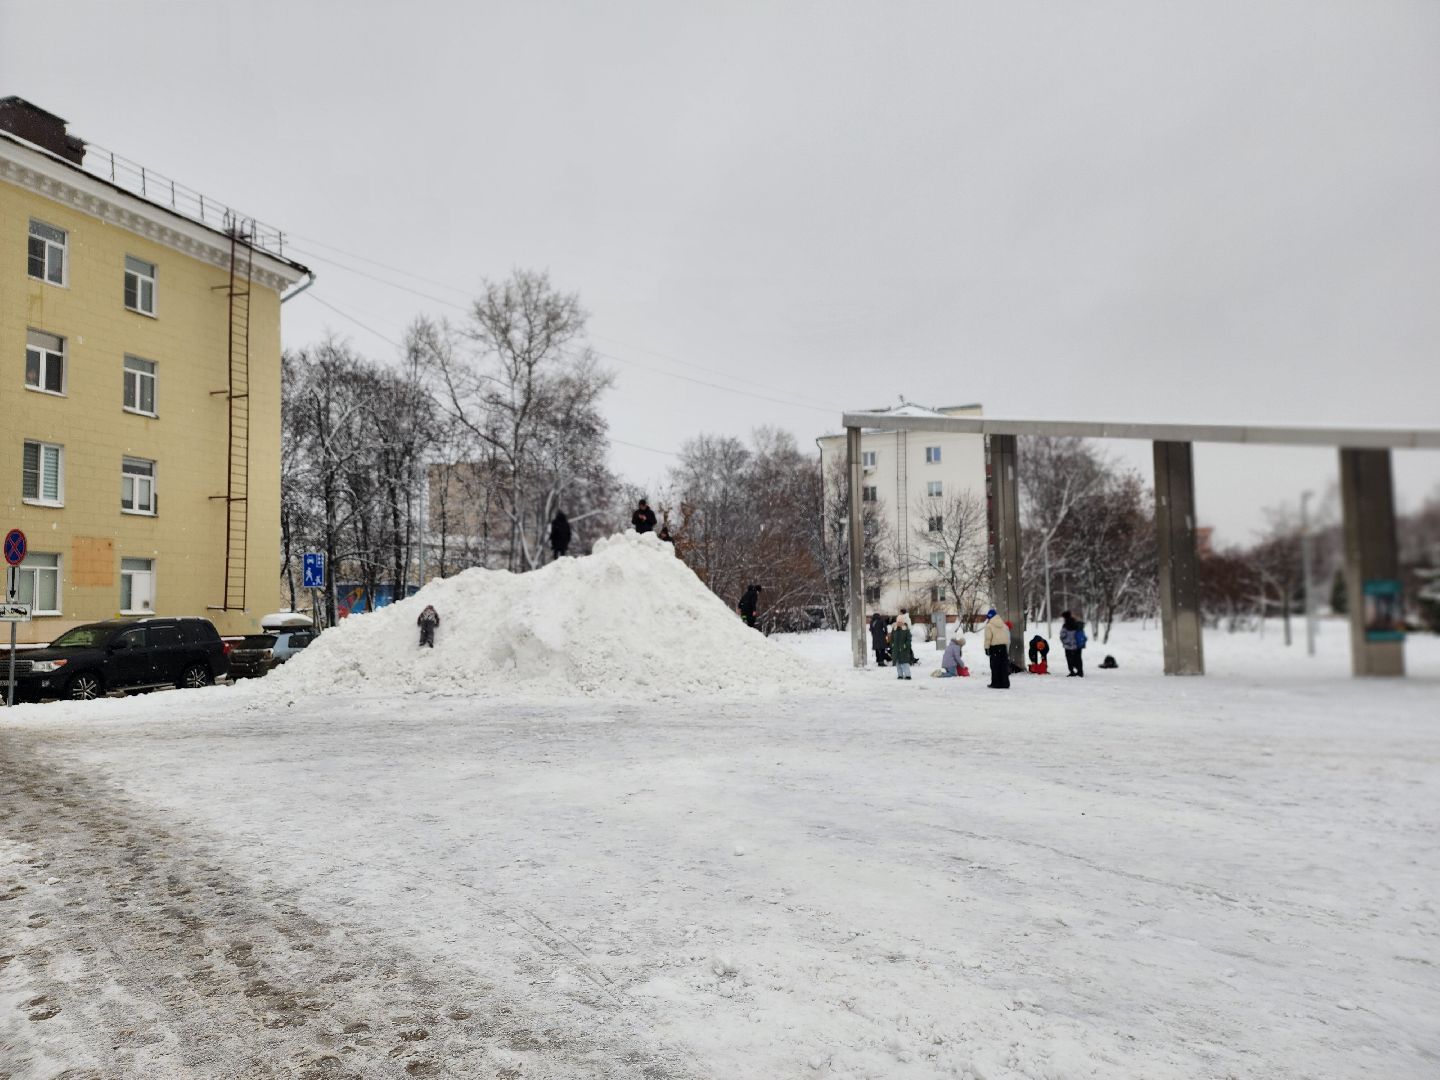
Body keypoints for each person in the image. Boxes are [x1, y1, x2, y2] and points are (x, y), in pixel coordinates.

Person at [982, 607, 1011, 689]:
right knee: (1004, 666)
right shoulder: (1004, 625)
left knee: (995, 666)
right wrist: (1006, 649)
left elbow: (988, 638)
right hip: (1003, 648)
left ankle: (996, 683)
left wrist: (986, 648)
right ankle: (1005, 683)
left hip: (994, 648)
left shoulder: (989, 626)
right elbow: (1008, 638)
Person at [1059, 610, 1087, 677]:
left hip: (1068, 645)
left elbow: (1062, 635)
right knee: (1078, 658)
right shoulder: (1076, 623)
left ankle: (1072, 671)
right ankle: (1080, 672)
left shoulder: (1065, 625)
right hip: (1077, 645)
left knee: (1069, 659)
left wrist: (1064, 641)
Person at [890, 611, 916, 680]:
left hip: (903, 650)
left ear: (903, 622)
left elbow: (909, 639)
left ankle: (908, 675)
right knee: (898, 663)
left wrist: (906, 645)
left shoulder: (906, 630)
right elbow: (892, 638)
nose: (899, 623)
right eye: (898, 622)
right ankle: (900, 675)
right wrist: (892, 644)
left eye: (900, 622)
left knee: (904, 663)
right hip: (896, 649)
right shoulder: (894, 630)